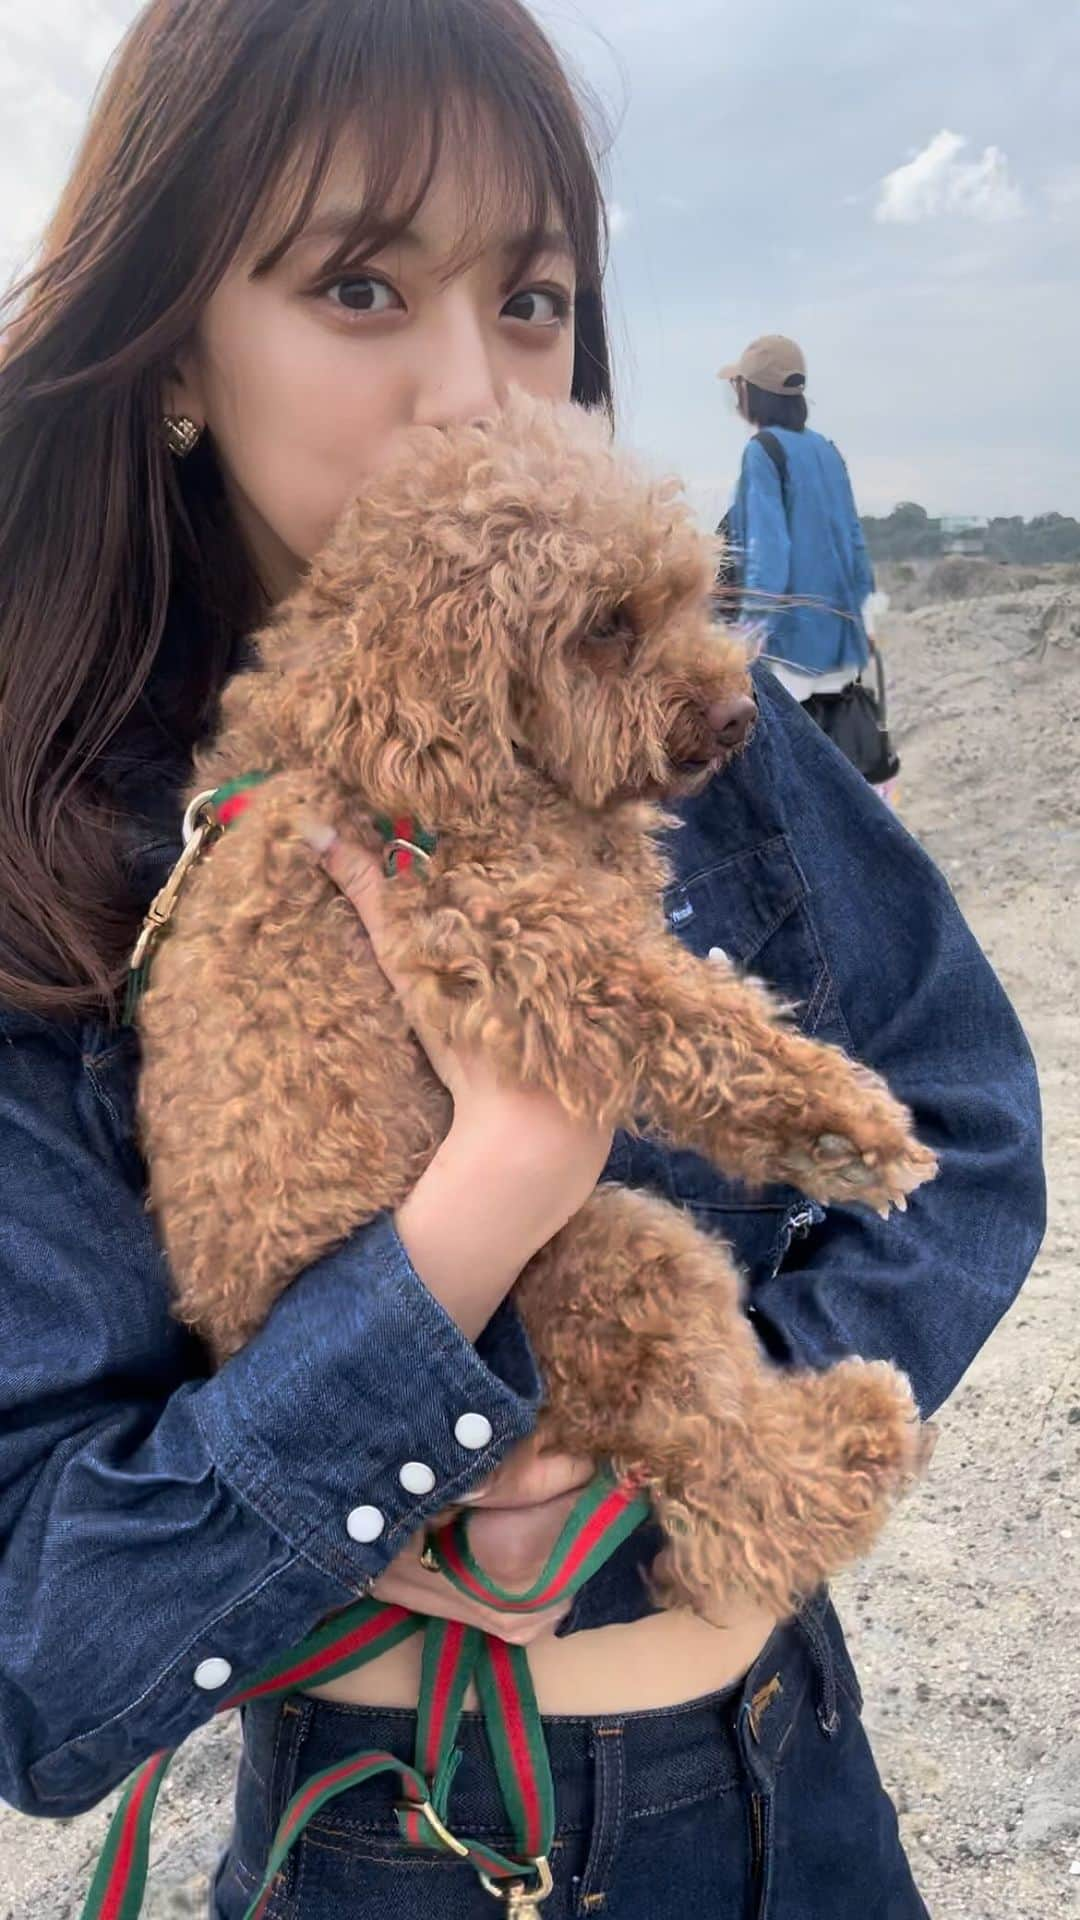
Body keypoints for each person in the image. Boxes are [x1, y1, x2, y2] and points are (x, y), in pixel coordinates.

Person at [0, 4, 1044, 1916]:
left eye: (538, 298)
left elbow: (957, 1122)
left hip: (795, 1778)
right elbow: (50, 1637)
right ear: (166, 354)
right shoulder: (55, 856)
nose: (482, 393)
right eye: (364, 285)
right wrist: (481, 1215)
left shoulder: (688, 738)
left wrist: (690, 1439)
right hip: (397, 1842)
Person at [717, 334, 900, 799]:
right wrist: (866, 619)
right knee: (840, 775)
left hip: (792, 649)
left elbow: (769, 554)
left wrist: (746, 637)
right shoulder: (828, 451)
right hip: (840, 643)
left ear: (749, 392)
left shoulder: (763, 452)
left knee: (789, 782)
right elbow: (853, 541)